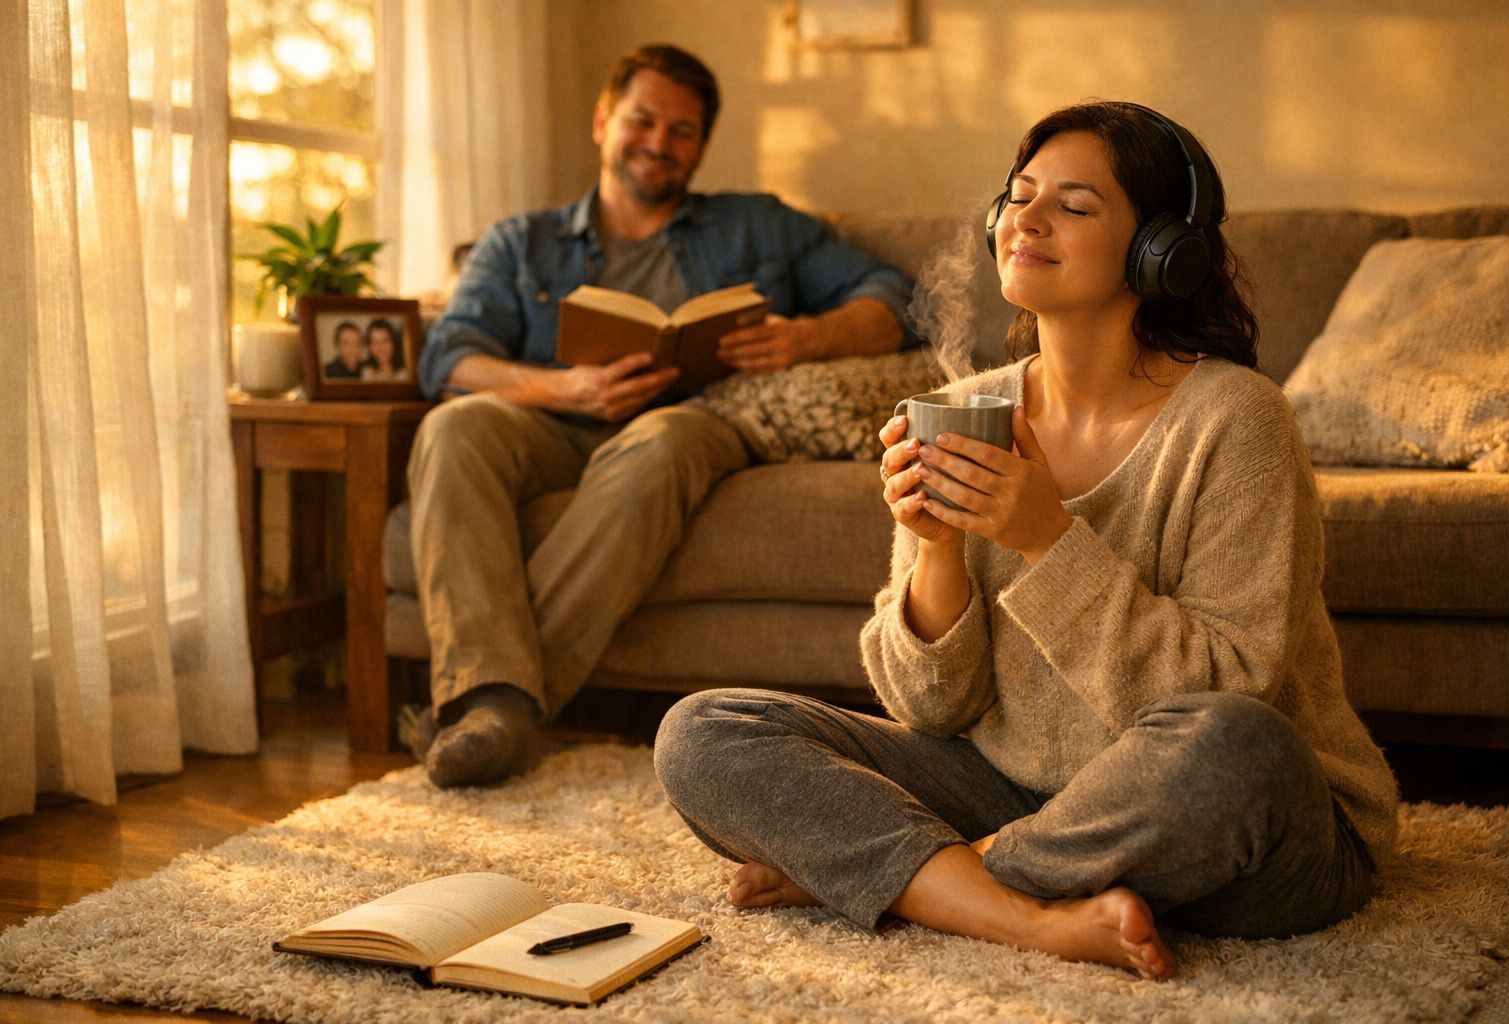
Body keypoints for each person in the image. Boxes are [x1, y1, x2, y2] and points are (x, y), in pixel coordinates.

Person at [653, 101, 1399, 980]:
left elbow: (1223, 693)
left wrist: (1046, 536)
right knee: (704, 732)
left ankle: (914, 877)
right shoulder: (967, 409)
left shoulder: (1237, 420)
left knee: (1236, 744)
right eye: (1018, 196)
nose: (1028, 220)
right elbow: (933, 714)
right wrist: (935, 549)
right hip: (1014, 787)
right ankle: (1028, 916)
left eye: (1074, 205)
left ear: (1159, 250)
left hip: (1245, 829)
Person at [408, 44, 914, 789]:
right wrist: (565, 390)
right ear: (603, 120)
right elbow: (449, 359)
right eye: (642, 121)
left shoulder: (757, 224)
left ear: (701, 146)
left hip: (695, 419)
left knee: (662, 438)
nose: (659, 143)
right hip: (558, 420)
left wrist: (807, 337)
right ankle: (496, 702)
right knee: (453, 427)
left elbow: (893, 295)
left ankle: (488, 705)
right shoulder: (520, 242)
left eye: (682, 131)